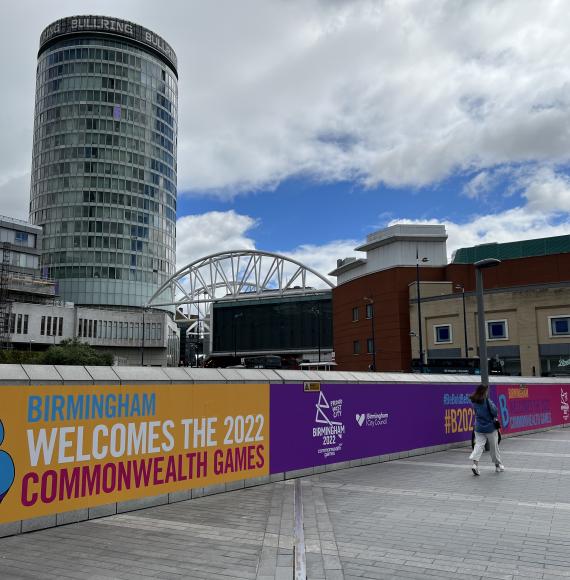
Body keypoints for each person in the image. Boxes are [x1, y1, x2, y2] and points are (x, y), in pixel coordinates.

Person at [468, 385, 505, 475]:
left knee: (478, 446)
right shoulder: (487, 402)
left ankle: (475, 465)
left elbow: (476, 413)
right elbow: (495, 412)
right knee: (494, 447)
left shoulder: (474, 401)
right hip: (490, 428)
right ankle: (497, 466)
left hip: (479, 428)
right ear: (485, 391)